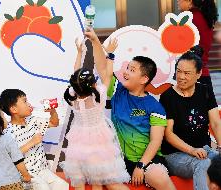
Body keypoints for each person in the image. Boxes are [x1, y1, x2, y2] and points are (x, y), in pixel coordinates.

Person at [90, 30, 176, 189]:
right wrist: (95, 40)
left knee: (157, 174)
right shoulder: (118, 91)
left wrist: (141, 166)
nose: (125, 72)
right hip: (121, 161)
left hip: (148, 160)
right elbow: (103, 69)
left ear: (144, 79)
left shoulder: (155, 106)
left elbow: (156, 141)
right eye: (127, 68)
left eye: (132, 70)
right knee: (107, 179)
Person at [60, 32, 130, 190]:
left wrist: (79, 53)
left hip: (78, 139)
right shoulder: (98, 95)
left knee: (79, 182)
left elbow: (75, 73)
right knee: (97, 180)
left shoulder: (72, 96)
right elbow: (107, 75)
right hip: (98, 139)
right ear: (92, 85)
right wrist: (110, 55)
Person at [160, 45, 221, 190]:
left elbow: (216, 122)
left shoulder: (204, 91)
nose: (181, 77)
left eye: (187, 73)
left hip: (204, 150)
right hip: (176, 155)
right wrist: (192, 150)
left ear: (199, 74)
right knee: (203, 163)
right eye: (179, 71)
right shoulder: (167, 97)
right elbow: (168, 134)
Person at [0, 89, 69, 190]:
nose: (29, 104)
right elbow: (10, 157)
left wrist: (52, 111)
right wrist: (32, 142)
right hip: (27, 175)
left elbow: (54, 123)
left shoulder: (33, 120)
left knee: (63, 186)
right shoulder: (9, 132)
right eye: (25, 101)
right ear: (14, 109)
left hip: (43, 170)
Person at [177, 0, 218, 90]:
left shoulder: (189, 19)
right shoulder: (204, 16)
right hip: (202, 74)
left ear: (190, 1)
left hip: (189, 78)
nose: (177, 1)